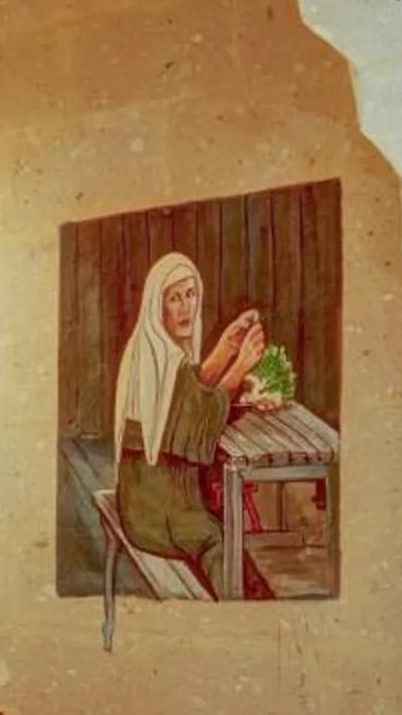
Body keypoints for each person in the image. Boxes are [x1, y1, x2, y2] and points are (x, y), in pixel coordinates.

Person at [111, 252, 278, 593]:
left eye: (190, 294)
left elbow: (187, 393)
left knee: (221, 520)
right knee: (217, 542)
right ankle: (242, 608)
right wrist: (241, 365)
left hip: (140, 500)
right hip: (160, 512)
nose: (186, 307)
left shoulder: (151, 349)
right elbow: (200, 419)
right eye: (174, 298)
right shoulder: (165, 357)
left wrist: (226, 348)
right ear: (157, 306)